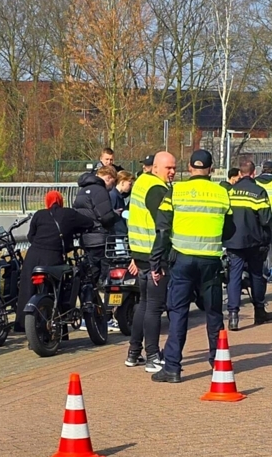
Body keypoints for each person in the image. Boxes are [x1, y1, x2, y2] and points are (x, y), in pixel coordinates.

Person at [150, 149, 234, 384]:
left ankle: (172, 368)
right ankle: (218, 361)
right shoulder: (222, 193)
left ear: (189, 168)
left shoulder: (175, 191)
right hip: (210, 262)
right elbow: (230, 230)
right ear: (212, 169)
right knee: (214, 313)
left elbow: (163, 231)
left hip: (183, 261)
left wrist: (157, 262)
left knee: (178, 313)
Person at [16, 191, 96, 332]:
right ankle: (56, 324)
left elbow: (30, 236)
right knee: (55, 288)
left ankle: (23, 325)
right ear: (60, 200)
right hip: (52, 256)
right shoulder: (68, 214)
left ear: (47, 201)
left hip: (33, 255)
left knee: (27, 288)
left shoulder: (39, 214)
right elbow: (88, 223)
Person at [126, 151, 175, 373]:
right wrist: (159, 259)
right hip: (154, 254)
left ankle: (133, 352)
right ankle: (153, 356)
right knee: (154, 307)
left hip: (140, 252)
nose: (172, 172)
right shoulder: (156, 189)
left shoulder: (140, 183)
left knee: (144, 304)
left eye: (174, 167)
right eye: (168, 168)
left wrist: (135, 256)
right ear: (155, 168)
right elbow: (162, 226)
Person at [224, 158, 272, 330]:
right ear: (253, 173)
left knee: (234, 277)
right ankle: (259, 312)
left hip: (233, 241)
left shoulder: (230, 192)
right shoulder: (259, 191)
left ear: (239, 173)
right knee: (256, 276)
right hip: (254, 241)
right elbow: (266, 218)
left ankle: (233, 316)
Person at [73, 164, 120, 282]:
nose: (111, 188)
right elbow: (105, 217)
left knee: (90, 272)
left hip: (87, 238)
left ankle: (89, 297)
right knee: (104, 275)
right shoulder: (100, 190)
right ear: (109, 177)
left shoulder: (82, 191)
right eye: (113, 183)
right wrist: (116, 215)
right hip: (101, 238)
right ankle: (103, 298)